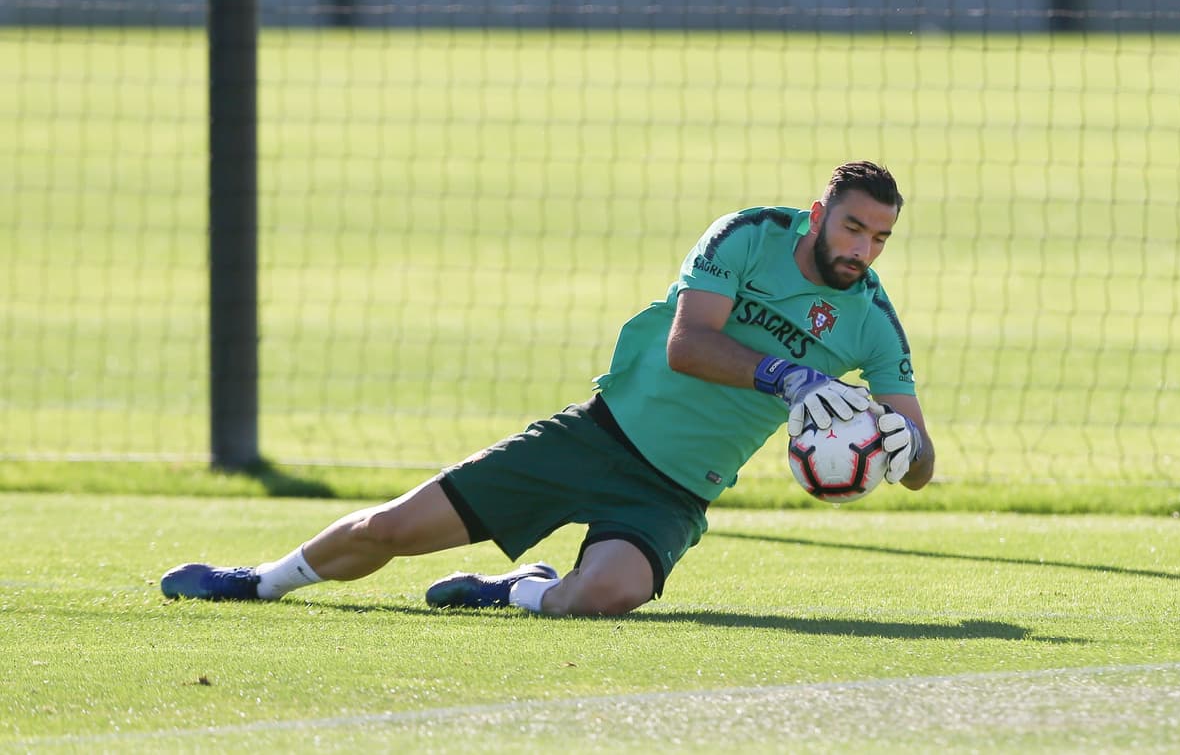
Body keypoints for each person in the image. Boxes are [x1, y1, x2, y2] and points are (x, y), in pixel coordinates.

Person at [161, 160, 935, 615]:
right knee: (391, 531)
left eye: (880, 238)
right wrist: (787, 374)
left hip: (670, 492)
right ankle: (258, 581)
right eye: (854, 228)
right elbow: (687, 344)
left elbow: (923, 459)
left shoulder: (870, 320)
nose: (864, 250)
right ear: (817, 214)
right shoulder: (747, 234)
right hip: (593, 436)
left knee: (601, 596)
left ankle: (522, 589)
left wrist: (905, 446)